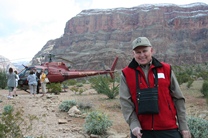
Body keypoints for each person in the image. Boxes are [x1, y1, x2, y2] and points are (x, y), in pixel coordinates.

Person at [119, 37, 191, 138]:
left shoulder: (166, 69)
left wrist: (183, 127)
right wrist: (134, 125)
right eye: (138, 52)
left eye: (145, 51)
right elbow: (125, 102)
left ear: (151, 50)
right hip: (141, 131)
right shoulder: (126, 73)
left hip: (168, 128)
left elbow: (178, 98)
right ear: (133, 53)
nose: (142, 55)